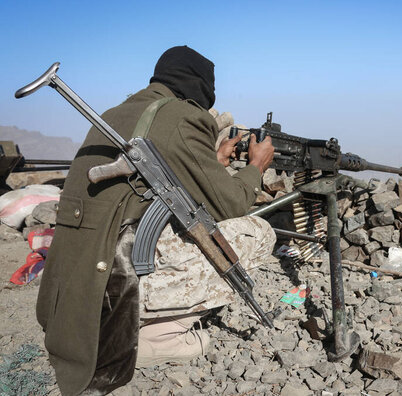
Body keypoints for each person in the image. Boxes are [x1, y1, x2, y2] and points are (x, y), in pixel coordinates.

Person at [36, 46, 276, 395]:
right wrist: (256, 167)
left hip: (76, 281)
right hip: (114, 281)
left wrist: (212, 161)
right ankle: (158, 336)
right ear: (200, 88)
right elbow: (231, 204)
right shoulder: (183, 116)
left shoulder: (117, 112)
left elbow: (163, 176)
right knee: (258, 233)